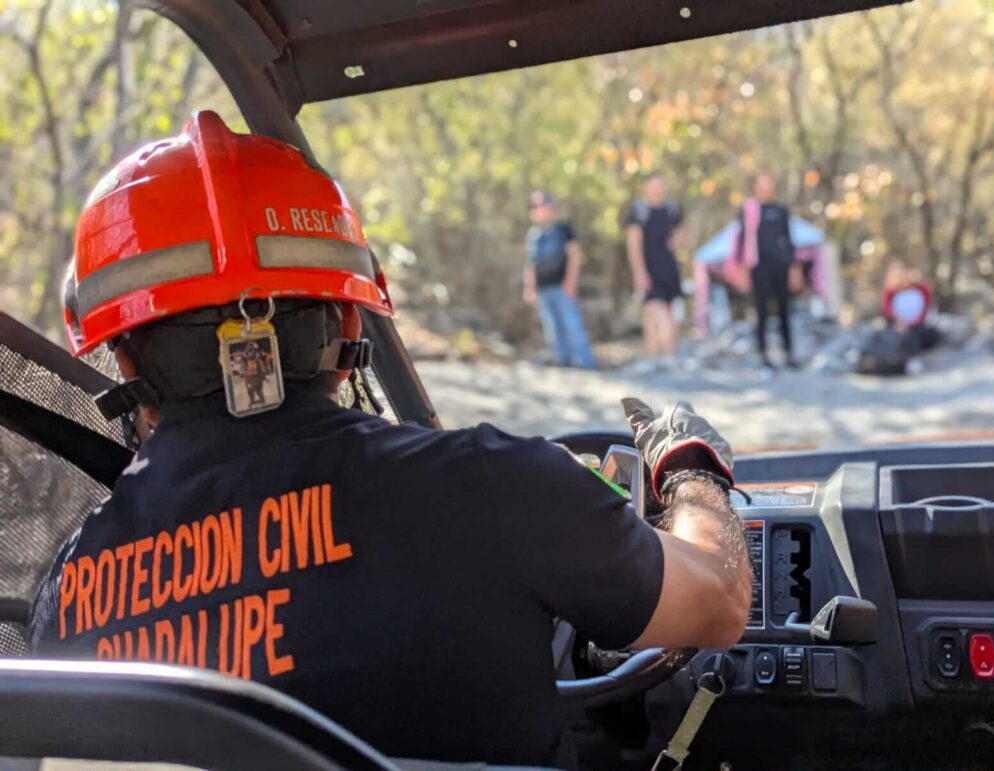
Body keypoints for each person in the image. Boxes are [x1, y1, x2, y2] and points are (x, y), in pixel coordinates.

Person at [31, 112, 751, 770]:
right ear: (350, 325)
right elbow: (716, 599)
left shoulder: (67, 593)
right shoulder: (491, 485)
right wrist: (691, 467)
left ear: (122, 358)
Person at [729, 172, 797, 371]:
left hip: (781, 267)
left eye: (769, 182)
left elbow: (789, 240)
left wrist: (794, 268)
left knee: (785, 310)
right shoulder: (749, 210)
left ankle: (788, 354)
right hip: (758, 268)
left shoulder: (781, 210)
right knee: (761, 311)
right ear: (756, 186)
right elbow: (741, 241)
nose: (766, 186)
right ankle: (764, 356)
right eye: (762, 182)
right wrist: (742, 269)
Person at [522, 190, 596, 368]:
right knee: (552, 328)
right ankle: (563, 362)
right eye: (533, 206)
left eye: (540, 205)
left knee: (572, 325)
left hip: (562, 286)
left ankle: (587, 363)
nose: (536, 210)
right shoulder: (533, 235)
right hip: (543, 288)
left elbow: (574, 256)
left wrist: (570, 283)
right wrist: (529, 288)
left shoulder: (564, 229)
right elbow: (531, 264)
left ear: (550, 207)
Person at [624, 174, 686, 361]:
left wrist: (677, 241)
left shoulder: (672, 209)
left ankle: (670, 353)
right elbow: (633, 244)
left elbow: (683, 229)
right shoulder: (639, 211)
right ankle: (653, 354)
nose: (657, 189)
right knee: (651, 310)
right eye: (653, 185)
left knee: (672, 311)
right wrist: (639, 272)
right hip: (648, 267)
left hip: (669, 266)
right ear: (646, 188)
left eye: (660, 185)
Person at [880, 257, 938, 372]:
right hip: (896, 327)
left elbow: (923, 310)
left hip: (917, 326)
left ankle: (914, 359)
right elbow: (888, 311)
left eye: (902, 272)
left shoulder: (921, 289)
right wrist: (899, 322)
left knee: (919, 334)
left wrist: (912, 323)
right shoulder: (889, 293)